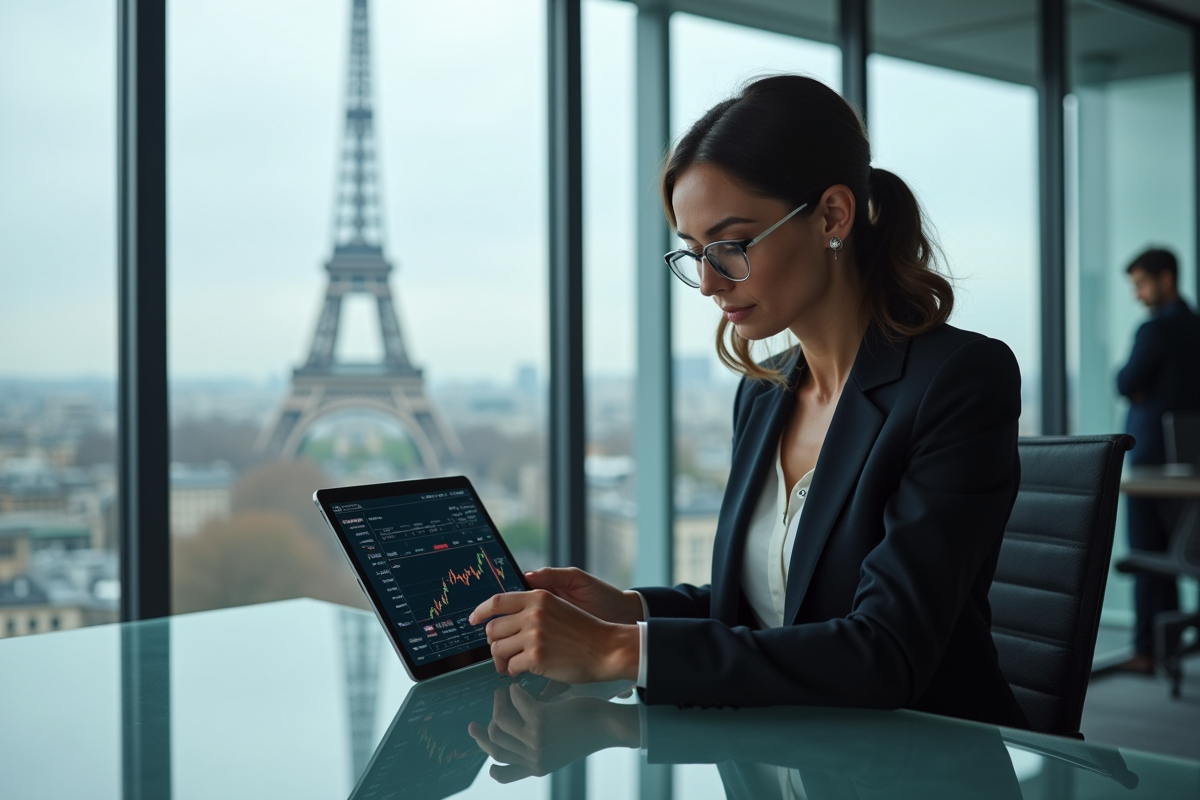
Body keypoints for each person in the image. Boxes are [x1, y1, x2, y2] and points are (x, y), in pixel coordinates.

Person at [470, 74, 1029, 728]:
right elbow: (776, 605)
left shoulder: (958, 379)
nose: (709, 283)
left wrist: (617, 651)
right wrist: (627, 612)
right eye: (694, 254)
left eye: (731, 246)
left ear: (832, 216)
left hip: (924, 755)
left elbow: (886, 651)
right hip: (782, 749)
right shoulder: (763, 394)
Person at [1115, 248, 1200, 675]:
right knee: (1177, 551)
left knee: (1148, 554)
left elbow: (1125, 382)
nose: (1137, 294)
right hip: (1191, 463)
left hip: (1150, 461)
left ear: (1166, 279)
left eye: (1141, 284)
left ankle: (1147, 650)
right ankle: (1171, 647)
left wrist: (1137, 386)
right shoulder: (1196, 327)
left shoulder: (1155, 329)